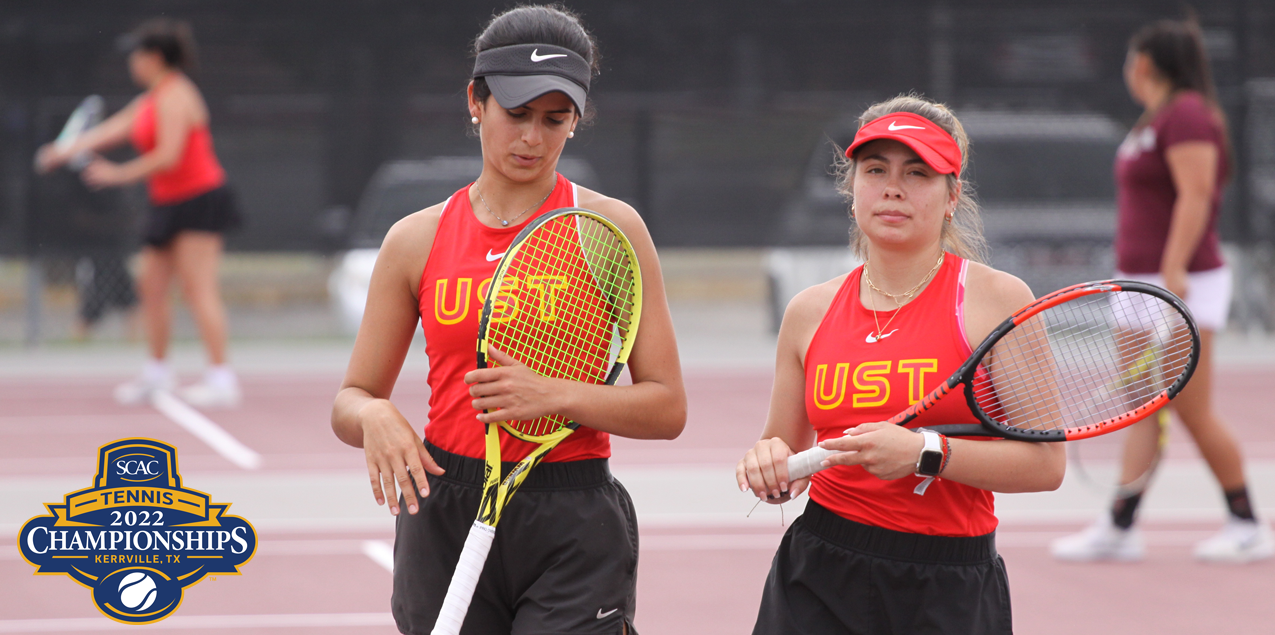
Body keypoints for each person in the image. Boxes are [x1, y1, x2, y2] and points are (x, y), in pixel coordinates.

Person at [330, 6, 686, 634]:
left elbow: (666, 409)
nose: (532, 138)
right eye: (516, 114)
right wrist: (376, 416)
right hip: (444, 505)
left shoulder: (610, 230)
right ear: (476, 101)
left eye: (556, 119)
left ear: (577, 118)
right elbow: (351, 399)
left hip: (572, 513)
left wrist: (555, 396)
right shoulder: (416, 239)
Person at [736, 95, 1065, 635]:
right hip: (820, 569)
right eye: (876, 169)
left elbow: (1046, 465)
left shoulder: (996, 300)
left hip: (948, 582)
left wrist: (925, 453)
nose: (893, 187)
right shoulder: (809, 311)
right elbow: (785, 457)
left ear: (952, 194)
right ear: (852, 189)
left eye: (917, 172)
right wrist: (769, 463)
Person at [1051, 18, 1274, 563]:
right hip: (1137, 281)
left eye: (1131, 60)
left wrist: (1174, 268)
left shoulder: (1190, 114)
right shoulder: (1155, 119)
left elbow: (1196, 196)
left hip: (1182, 281)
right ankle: (1120, 525)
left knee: (1191, 408)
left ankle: (1246, 524)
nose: (1128, 70)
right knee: (1140, 407)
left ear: (1145, 64)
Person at [35, 18, 241, 408]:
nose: (131, 61)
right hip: (166, 203)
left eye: (136, 54)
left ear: (154, 57)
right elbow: (111, 129)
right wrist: (60, 151)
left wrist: (116, 174)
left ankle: (221, 378)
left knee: (198, 289)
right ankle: (158, 371)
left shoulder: (179, 96)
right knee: (151, 287)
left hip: (200, 199)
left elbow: (169, 155)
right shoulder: (150, 100)